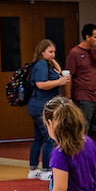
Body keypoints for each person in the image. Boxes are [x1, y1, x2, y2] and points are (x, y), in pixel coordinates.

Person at [26, 39, 70, 181]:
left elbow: (58, 71)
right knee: (49, 138)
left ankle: (33, 168)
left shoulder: (44, 64)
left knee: (38, 138)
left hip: (37, 105)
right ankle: (46, 170)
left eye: (54, 52)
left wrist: (52, 59)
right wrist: (59, 82)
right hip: (42, 106)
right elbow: (41, 84)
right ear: (42, 52)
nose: (53, 55)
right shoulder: (42, 65)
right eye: (50, 52)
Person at [66, 25, 96, 160]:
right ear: (87, 37)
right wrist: (68, 97)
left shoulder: (95, 52)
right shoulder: (75, 53)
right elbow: (69, 76)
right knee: (84, 128)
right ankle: (82, 156)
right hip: (82, 96)